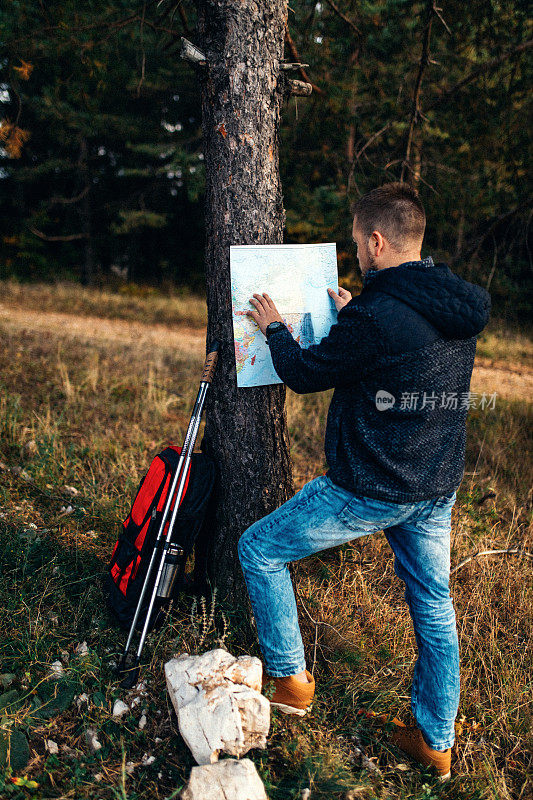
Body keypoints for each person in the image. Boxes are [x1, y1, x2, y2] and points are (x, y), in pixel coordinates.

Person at [238, 182, 491, 781]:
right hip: (435, 485)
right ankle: (435, 741)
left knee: (259, 549)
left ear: (377, 241)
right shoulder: (453, 300)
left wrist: (275, 326)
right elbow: (407, 350)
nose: (357, 252)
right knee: (434, 606)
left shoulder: (379, 316)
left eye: (358, 242)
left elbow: (303, 373)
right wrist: (355, 316)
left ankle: (291, 680)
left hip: (371, 487)